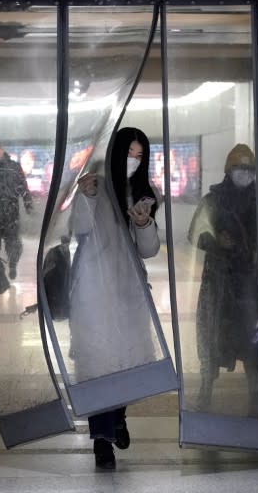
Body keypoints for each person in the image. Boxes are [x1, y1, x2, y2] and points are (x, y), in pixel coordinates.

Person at [70, 127, 160, 471]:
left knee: (124, 362)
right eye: (129, 154)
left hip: (128, 292)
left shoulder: (145, 194)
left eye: (140, 156)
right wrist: (86, 198)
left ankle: (118, 419)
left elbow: (149, 251)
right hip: (94, 289)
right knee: (97, 364)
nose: (133, 162)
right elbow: (79, 229)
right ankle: (101, 442)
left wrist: (144, 223)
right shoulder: (95, 186)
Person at [189, 144, 258, 415]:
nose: (245, 174)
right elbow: (195, 233)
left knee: (252, 339)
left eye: (249, 169)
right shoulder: (213, 200)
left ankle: (257, 397)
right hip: (218, 282)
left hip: (247, 283)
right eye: (240, 168)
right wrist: (216, 242)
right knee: (211, 337)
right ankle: (206, 390)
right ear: (229, 170)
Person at [0, 139, 33, 280]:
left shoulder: (13, 167)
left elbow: (23, 186)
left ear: (1, 150)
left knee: (12, 242)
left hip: (10, 213)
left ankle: (13, 265)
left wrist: (28, 203)